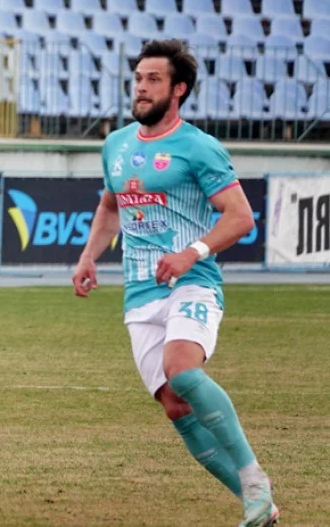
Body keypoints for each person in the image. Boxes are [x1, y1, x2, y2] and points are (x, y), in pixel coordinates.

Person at [72, 40, 279, 527]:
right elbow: (110, 206)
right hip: (139, 292)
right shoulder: (116, 144)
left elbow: (240, 216)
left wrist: (192, 253)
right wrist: (88, 257)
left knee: (183, 371)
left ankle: (255, 480)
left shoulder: (198, 147)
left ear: (178, 89)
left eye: (153, 80)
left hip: (193, 282)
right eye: (138, 79)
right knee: (174, 406)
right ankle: (259, 506)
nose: (141, 89)